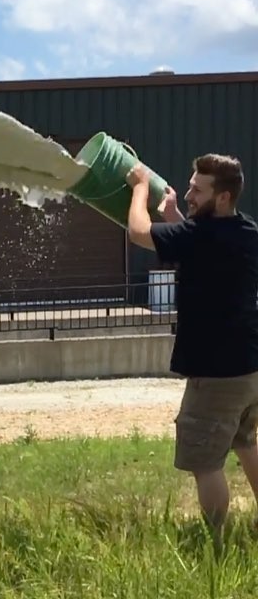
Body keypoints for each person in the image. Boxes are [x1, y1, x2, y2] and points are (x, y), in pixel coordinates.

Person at [126, 154, 258, 540]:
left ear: (222, 198)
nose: (187, 195)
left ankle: (216, 541)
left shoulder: (201, 236)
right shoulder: (246, 230)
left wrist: (139, 189)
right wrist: (172, 213)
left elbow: (137, 231)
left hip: (216, 374)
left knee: (205, 462)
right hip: (248, 367)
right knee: (245, 441)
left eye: (197, 191)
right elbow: (201, 248)